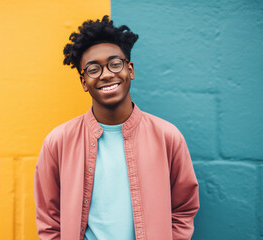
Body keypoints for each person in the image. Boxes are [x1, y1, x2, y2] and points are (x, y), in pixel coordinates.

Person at [34, 15, 199, 240]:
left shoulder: (167, 136)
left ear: (129, 69)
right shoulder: (58, 142)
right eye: (93, 69)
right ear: (84, 82)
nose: (106, 74)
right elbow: (49, 219)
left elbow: (184, 208)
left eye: (114, 64)